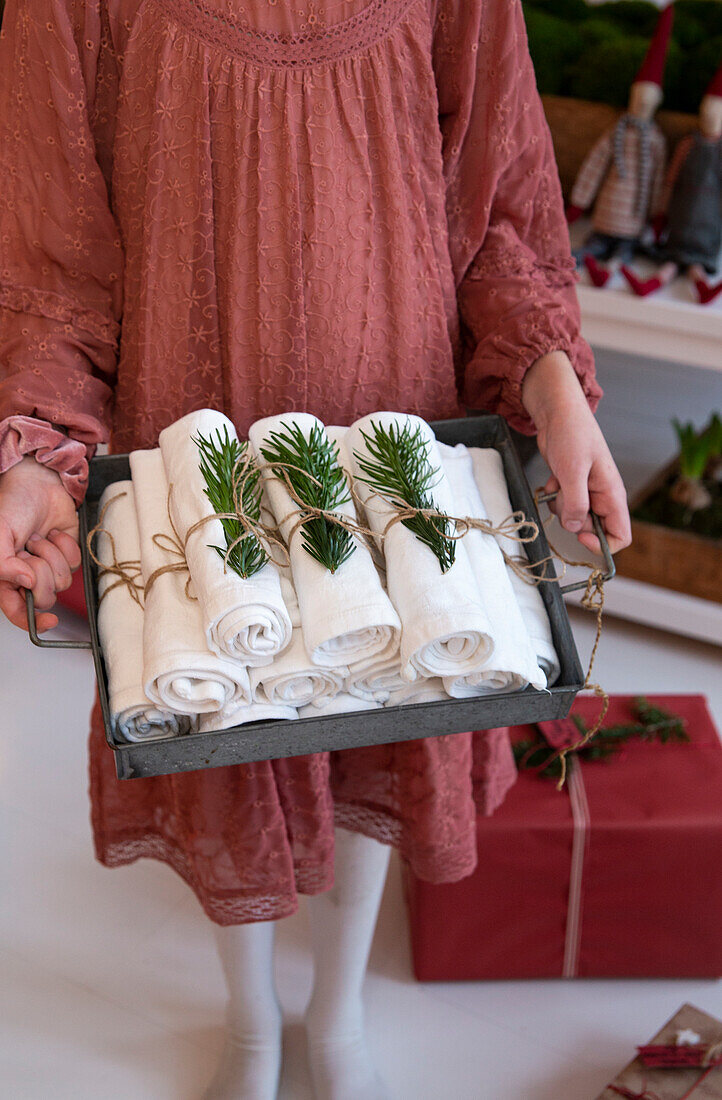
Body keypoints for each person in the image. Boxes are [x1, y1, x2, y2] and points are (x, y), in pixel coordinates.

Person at [0, 2, 631, 1097]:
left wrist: (554, 390)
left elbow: (495, 218)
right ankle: (252, 1019)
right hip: (190, 423)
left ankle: (334, 1013)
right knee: (223, 711)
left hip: (395, 416)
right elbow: (54, 266)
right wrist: (34, 453)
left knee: (396, 690)